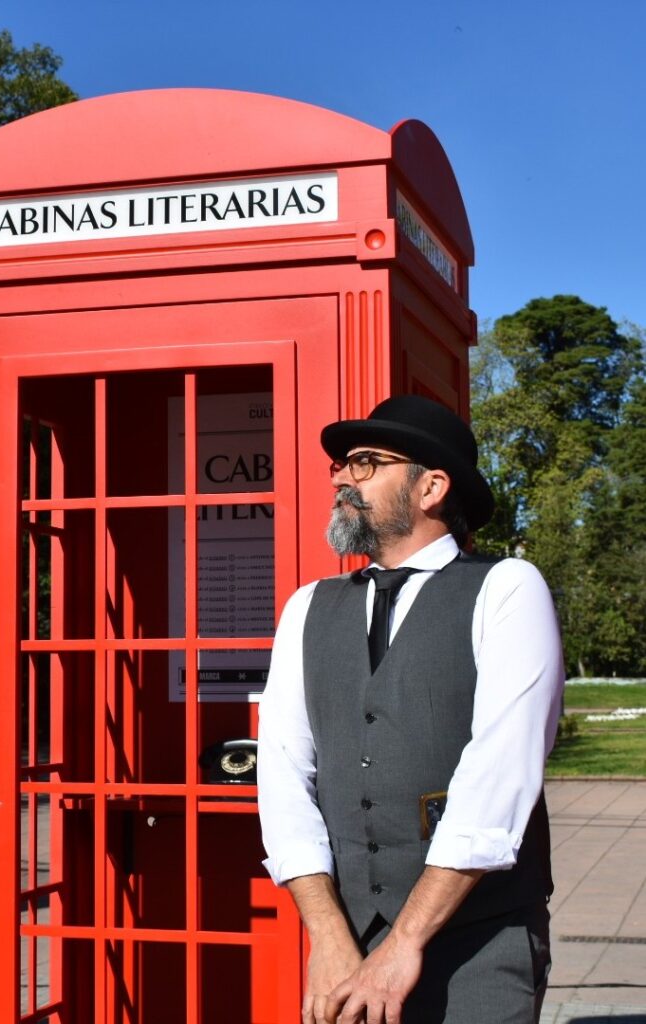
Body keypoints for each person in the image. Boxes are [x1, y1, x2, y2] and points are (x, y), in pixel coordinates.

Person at [257, 394, 564, 1024]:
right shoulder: (307, 606)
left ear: (431, 486)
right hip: (348, 941)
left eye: (366, 462)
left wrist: (405, 943)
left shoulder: (505, 588)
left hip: (480, 941)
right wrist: (328, 933)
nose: (342, 476)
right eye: (341, 464)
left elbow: (497, 779)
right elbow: (283, 773)